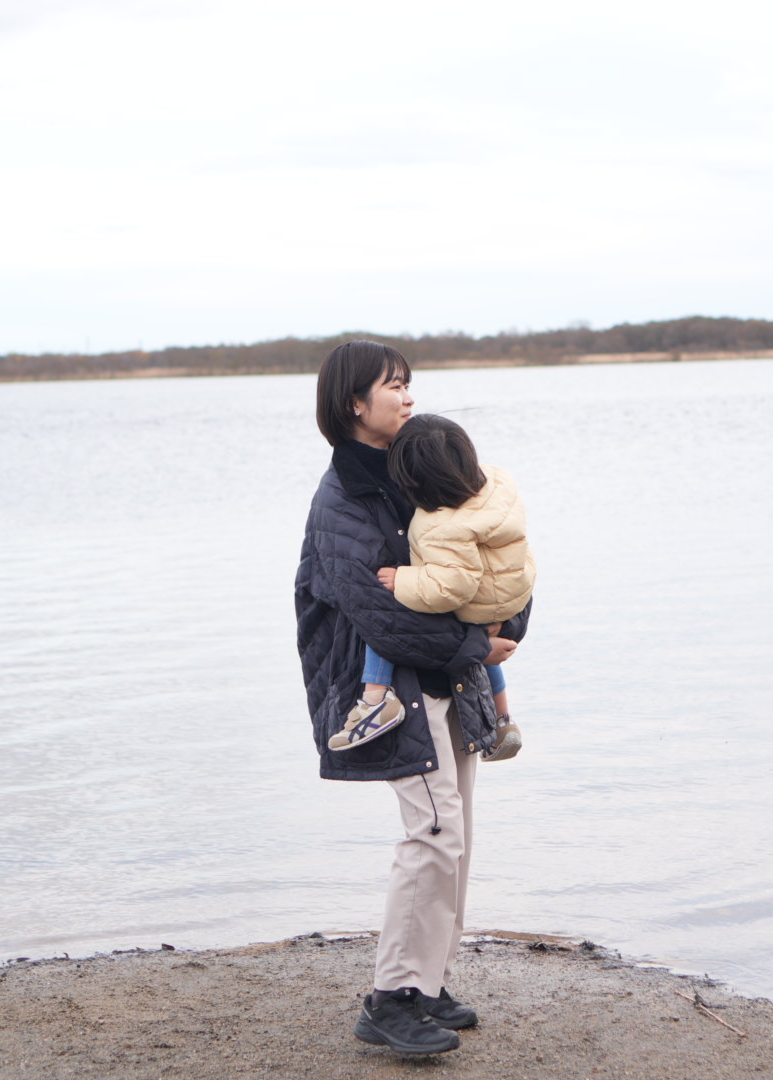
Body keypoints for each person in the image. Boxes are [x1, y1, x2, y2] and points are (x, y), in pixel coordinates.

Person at [295, 340, 530, 1056]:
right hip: (386, 689)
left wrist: (506, 626)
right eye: (393, 385)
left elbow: (496, 560)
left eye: (408, 383)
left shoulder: (422, 471)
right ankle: (391, 997)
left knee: (456, 835)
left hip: (445, 680)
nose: (408, 396)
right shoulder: (342, 501)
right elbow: (380, 615)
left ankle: (427, 984)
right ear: (353, 404)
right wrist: (475, 647)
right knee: (433, 832)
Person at [327, 413, 535, 763]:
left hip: (476, 601)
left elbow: (449, 589)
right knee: (482, 640)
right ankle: (503, 718)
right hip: (512, 592)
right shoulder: (498, 484)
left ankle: (375, 699)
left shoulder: (437, 523)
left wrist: (403, 578)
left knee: (381, 617)